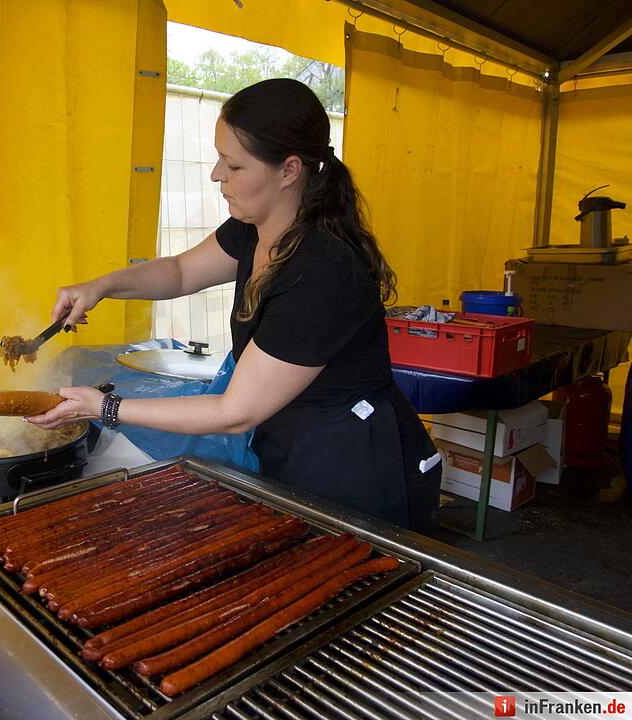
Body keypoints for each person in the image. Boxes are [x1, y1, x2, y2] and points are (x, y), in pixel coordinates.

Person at [26, 78, 441, 533]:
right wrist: (100, 286)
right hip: (292, 443)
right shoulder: (254, 226)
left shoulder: (321, 271)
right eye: (219, 157)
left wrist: (104, 407)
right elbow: (181, 272)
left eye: (234, 165)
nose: (216, 174)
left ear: (289, 170)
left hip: (354, 463)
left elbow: (235, 411)